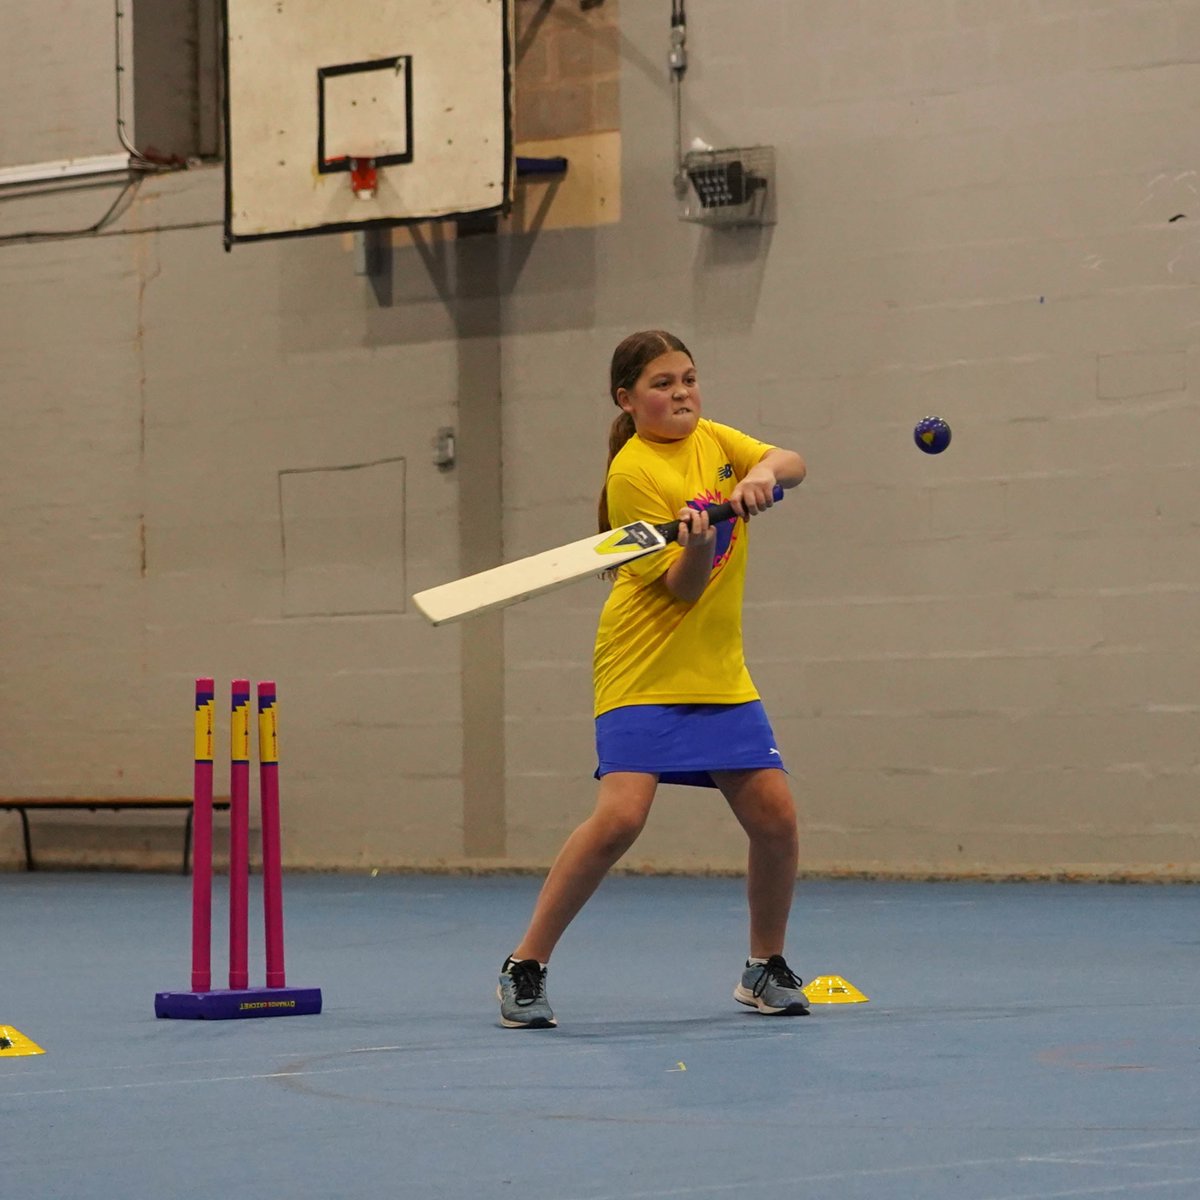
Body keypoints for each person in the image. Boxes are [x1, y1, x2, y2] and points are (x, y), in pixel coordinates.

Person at [497, 330, 808, 1029]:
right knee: (619, 820)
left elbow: (794, 462)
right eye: (663, 384)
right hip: (643, 663)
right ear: (627, 399)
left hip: (717, 669)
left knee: (776, 819)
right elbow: (682, 589)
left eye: (689, 379)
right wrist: (697, 543)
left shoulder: (714, 440)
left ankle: (764, 966)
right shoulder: (634, 473)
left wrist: (763, 475)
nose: (681, 394)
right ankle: (525, 965)